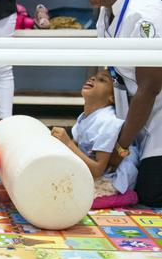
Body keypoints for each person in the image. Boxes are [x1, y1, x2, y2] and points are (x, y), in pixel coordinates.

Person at [81, 0, 162, 206]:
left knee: (150, 194)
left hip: (155, 104)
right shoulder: (107, 10)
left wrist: (121, 146)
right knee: (127, 180)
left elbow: (149, 88)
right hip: (136, 105)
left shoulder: (144, 15)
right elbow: (114, 71)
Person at [52, 70, 139, 199]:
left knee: (64, 195)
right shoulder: (85, 117)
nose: (92, 79)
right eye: (94, 77)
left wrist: (68, 143)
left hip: (109, 180)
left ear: (113, 97)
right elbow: (73, 150)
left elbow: (98, 170)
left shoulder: (108, 122)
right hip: (90, 171)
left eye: (102, 80)